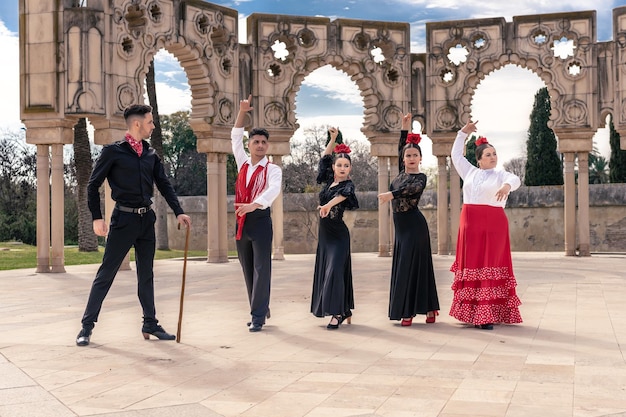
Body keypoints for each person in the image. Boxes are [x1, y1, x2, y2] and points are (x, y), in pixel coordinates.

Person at [76, 104, 192, 347]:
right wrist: (97, 217)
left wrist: (179, 212)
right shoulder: (113, 152)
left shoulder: (150, 154)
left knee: (146, 274)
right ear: (137, 123)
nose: (153, 126)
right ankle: (86, 327)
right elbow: (92, 185)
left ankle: (150, 322)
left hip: (145, 221)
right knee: (106, 273)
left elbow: (164, 184)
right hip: (123, 221)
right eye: (150, 122)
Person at [449, 118, 522, 330]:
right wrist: (463, 133)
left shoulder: (501, 175)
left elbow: (515, 179)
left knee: (490, 265)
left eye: (494, 154)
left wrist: (507, 186)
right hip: (470, 223)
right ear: (479, 159)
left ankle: (487, 314)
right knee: (472, 265)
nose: (493, 157)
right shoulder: (470, 172)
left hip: (493, 224)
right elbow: (455, 155)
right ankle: (472, 312)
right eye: (488, 154)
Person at [378, 113, 440, 326]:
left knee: (413, 267)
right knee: (409, 266)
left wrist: (390, 195)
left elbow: (409, 190)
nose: (411, 158)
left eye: (415, 155)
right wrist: (405, 128)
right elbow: (401, 147)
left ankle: (409, 311)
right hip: (401, 228)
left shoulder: (420, 178)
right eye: (408, 155)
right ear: (403, 159)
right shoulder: (400, 172)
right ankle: (429, 308)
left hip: (414, 227)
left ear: (420, 158)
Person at [232, 95, 283, 332]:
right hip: (242, 222)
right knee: (247, 268)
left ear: (267, 146)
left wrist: (254, 204)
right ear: (249, 144)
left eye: (263, 142)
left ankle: (258, 316)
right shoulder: (242, 162)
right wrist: (243, 111)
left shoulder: (273, 169)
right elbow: (235, 137)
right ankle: (260, 307)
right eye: (256, 141)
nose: (260, 145)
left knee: (262, 268)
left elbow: (273, 189)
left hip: (260, 221)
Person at [311, 128, 359, 329]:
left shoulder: (347, 185)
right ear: (334, 167)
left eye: (346, 165)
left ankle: (338, 313)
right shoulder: (328, 181)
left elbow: (344, 197)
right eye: (339, 165)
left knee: (335, 271)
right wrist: (332, 139)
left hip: (339, 235)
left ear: (349, 169)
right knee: (328, 270)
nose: (342, 168)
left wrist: (327, 206)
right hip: (325, 235)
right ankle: (344, 309)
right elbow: (324, 158)